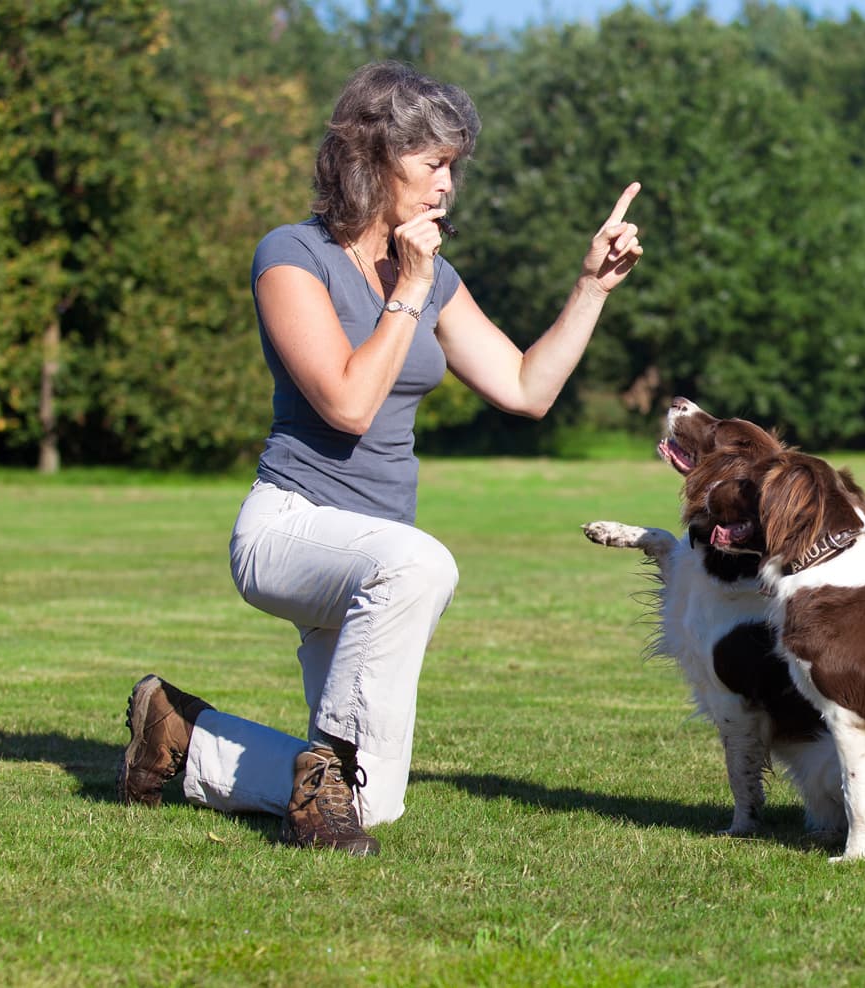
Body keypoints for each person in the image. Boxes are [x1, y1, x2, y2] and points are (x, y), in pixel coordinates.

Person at [115, 61, 643, 856]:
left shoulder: (433, 279)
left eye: (454, 168)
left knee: (374, 805)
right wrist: (407, 291)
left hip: (375, 562)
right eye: (434, 163)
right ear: (372, 156)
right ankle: (319, 778)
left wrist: (591, 288)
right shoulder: (292, 257)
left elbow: (526, 389)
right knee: (421, 565)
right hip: (289, 528)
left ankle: (181, 739)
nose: (447, 186)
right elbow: (347, 402)